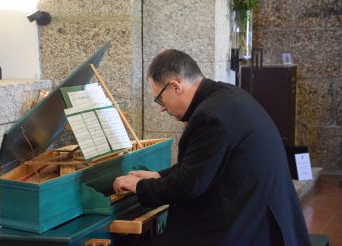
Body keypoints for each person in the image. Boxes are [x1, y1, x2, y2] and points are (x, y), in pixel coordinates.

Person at [113, 49, 310, 245]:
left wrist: (138, 187)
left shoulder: (209, 117)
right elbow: (204, 164)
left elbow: (187, 187)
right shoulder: (225, 95)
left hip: (251, 229)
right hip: (258, 216)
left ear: (175, 86)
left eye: (159, 99)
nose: (162, 108)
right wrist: (159, 176)